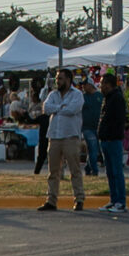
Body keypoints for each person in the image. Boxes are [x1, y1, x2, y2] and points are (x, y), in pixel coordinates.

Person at [37, 68, 87, 211]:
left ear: (68, 80)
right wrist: (60, 107)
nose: (57, 81)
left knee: (74, 169)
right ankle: (51, 200)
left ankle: (79, 199)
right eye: (57, 78)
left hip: (70, 137)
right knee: (53, 171)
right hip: (54, 136)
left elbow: (73, 110)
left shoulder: (77, 95)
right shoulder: (53, 94)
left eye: (60, 78)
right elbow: (46, 108)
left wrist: (57, 109)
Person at [95, 71, 129, 213]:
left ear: (108, 85)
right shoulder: (107, 98)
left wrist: (109, 132)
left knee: (116, 171)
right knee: (110, 172)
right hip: (106, 139)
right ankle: (113, 199)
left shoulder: (117, 99)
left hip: (113, 140)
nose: (100, 86)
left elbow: (117, 120)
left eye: (102, 83)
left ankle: (121, 201)